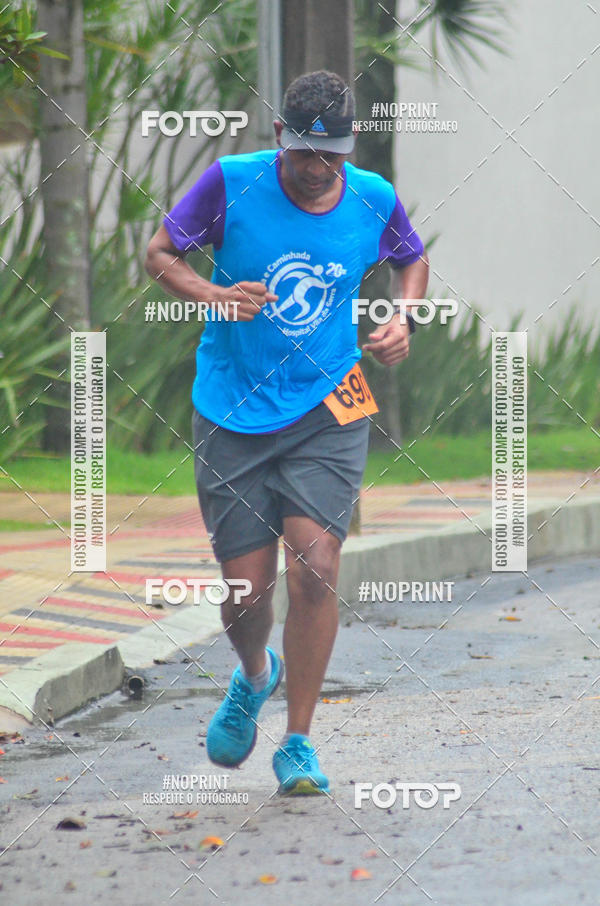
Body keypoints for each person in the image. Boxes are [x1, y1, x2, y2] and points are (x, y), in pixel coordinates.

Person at [145, 69, 429, 795]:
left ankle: (298, 742)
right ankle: (252, 674)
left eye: (332, 155)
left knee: (316, 565)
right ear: (280, 136)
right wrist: (213, 294)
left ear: (349, 145)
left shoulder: (373, 197)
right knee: (246, 590)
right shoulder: (229, 182)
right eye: (306, 153)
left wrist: (403, 317)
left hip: (330, 402)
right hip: (232, 406)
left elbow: (411, 259)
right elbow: (160, 253)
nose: (318, 169)